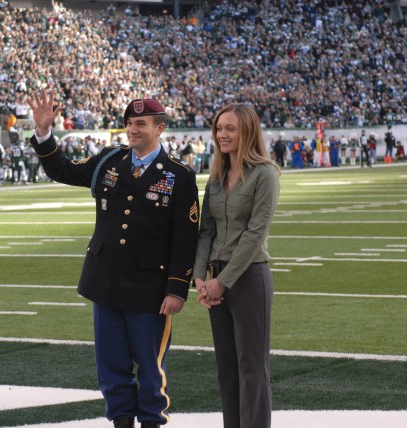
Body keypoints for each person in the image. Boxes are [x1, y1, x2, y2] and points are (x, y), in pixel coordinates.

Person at [27, 89, 199, 428]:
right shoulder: (109, 160)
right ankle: (120, 420)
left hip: (149, 288)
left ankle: (151, 421)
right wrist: (45, 133)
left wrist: (177, 288)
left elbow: (186, 237)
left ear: (160, 128)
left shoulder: (179, 174)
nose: (133, 130)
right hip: (104, 281)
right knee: (111, 364)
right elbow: (62, 170)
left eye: (141, 124)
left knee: (150, 365)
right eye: (129, 123)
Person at [193, 104, 280, 428]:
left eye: (230, 128)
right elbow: (206, 231)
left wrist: (223, 281)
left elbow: (255, 235)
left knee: (251, 368)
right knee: (226, 368)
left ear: (247, 131)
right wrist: (200, 278)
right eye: (218, 128)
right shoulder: (215, 177)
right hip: (216, 278)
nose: (222, 134)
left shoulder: (265, 174)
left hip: (248, 278)